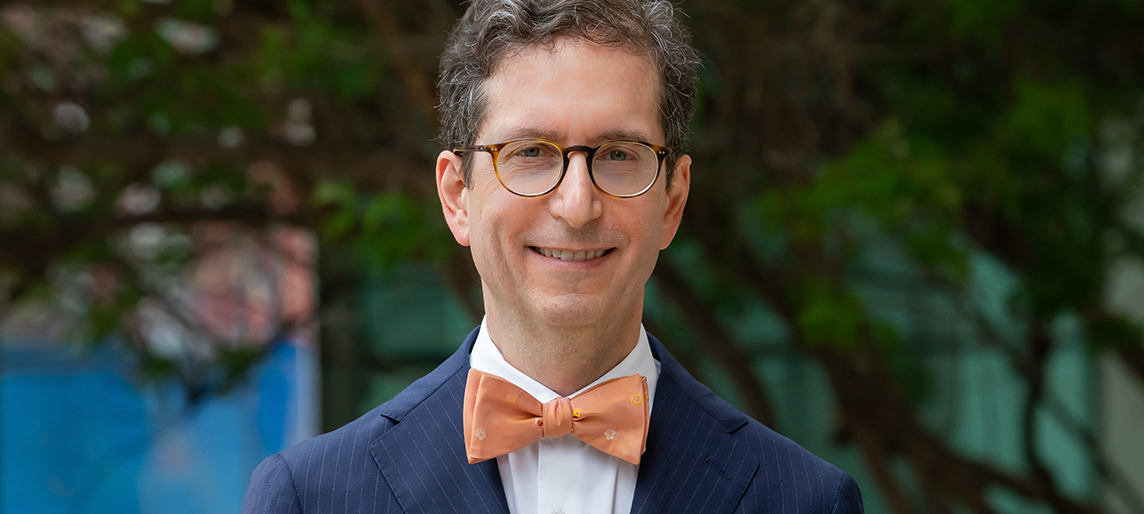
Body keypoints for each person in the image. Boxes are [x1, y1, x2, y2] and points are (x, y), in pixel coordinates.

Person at [242, 0, 863, 512]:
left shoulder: (806, 501)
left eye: (619, 155)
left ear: (673, 201)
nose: (576, 204)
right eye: (531, 153)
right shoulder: (312, 498)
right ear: (458, 195)